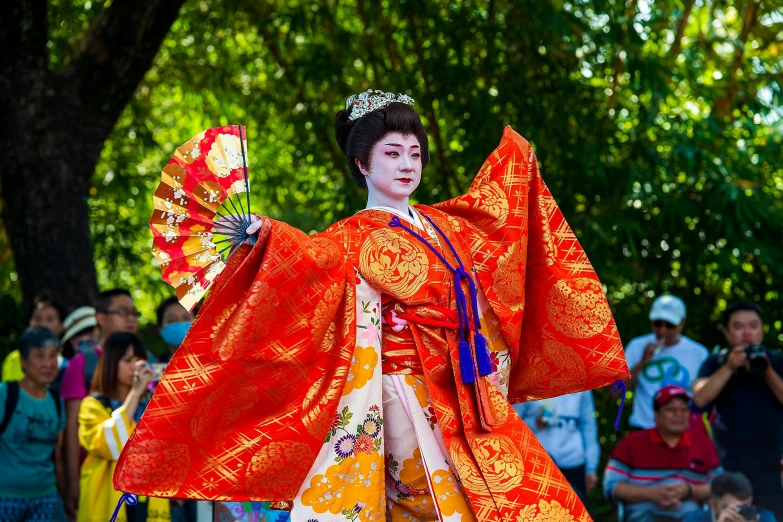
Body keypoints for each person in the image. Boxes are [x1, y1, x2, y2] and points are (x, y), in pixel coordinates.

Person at [115, 89, 629, 520]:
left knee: (533, 500)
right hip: (402, 394)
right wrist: (268, 239)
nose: (408, 164)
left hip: (464, 389)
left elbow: (496, 230)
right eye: (392, 153)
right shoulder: (348, 237)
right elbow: (307, 263)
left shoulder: (443, 224)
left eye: (414, 154)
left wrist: (519, 168)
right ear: (362, 162)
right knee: (435, 505)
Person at [693, 302, 783, 518]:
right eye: (739, 327)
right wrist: (730, 367)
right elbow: (699, 399)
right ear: (727, 332)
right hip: (728, 466)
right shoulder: (716, 362)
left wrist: (766, 370)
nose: (747, 333)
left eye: (753, 326)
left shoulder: (777, 360)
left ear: (762, 329)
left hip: (772, 466)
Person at [62, 289, 138, 518]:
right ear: (101, 318)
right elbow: (73, 429)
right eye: (122, 312)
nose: (130, 318)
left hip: (136, 481)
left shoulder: (145, 360)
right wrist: (73, 484)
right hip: (96, 477)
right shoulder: (83, 362)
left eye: (134, 313)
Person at [77, 332, 168, 522]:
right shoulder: (93, 405)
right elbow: (111, 445)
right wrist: (135, 393)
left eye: (139, 360)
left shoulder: (152, 406)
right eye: (127, 360)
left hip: (147, 500)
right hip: (108, 500)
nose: (135, 367)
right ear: (110, 363)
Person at [604, 385, 722, 521]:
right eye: (671, 409)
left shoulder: (702, 442)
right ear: (655, 415)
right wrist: (652, 494)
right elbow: (611, 487)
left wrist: (688, 491)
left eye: (684, 409)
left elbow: (720, 486)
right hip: (643, 513)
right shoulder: (632, 442)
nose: (679, 414)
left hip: (689, 514)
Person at [0, 327, 66, 522]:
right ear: (23, 361)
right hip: (5, 498)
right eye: (39, 356)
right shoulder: (5, 394)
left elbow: (58, 454)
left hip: (46, 498)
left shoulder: (56, 401)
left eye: (52, 356)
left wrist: (65, 494)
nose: (47, 364)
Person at [624, 295, 709, 430]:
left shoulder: (699, 353)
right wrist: (642, 362)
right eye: (658, 323)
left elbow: (704, 397)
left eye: (670, 325)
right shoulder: (637, 346)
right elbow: (615, 391)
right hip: (644, 429)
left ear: (682, 323)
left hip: (682, 432)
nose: (663, 330)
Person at [514, 391, 600, 505]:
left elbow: (588, 425)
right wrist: (534, 422)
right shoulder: (527, 378)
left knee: (574, 510)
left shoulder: (581, 379)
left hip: (574, 461)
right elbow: (512, 423)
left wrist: (591, 467)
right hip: (537, 461)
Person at [2, 297, 66, 382]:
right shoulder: (15, 359)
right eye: (37, 319)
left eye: (50, 319)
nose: (43, 324)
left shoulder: (70, 362)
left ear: (61, 326)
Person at [683, 472, 776, 522]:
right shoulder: (695, 519)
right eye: (726, 507)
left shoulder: (764, 518)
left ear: (750, 502)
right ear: (712, 505)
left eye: (740, 508)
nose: (734, 513)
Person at [155, 297, 194, 364]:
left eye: (186, 318)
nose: (180, 323)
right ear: (160, 330)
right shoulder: (154, 370)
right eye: (172, 320)